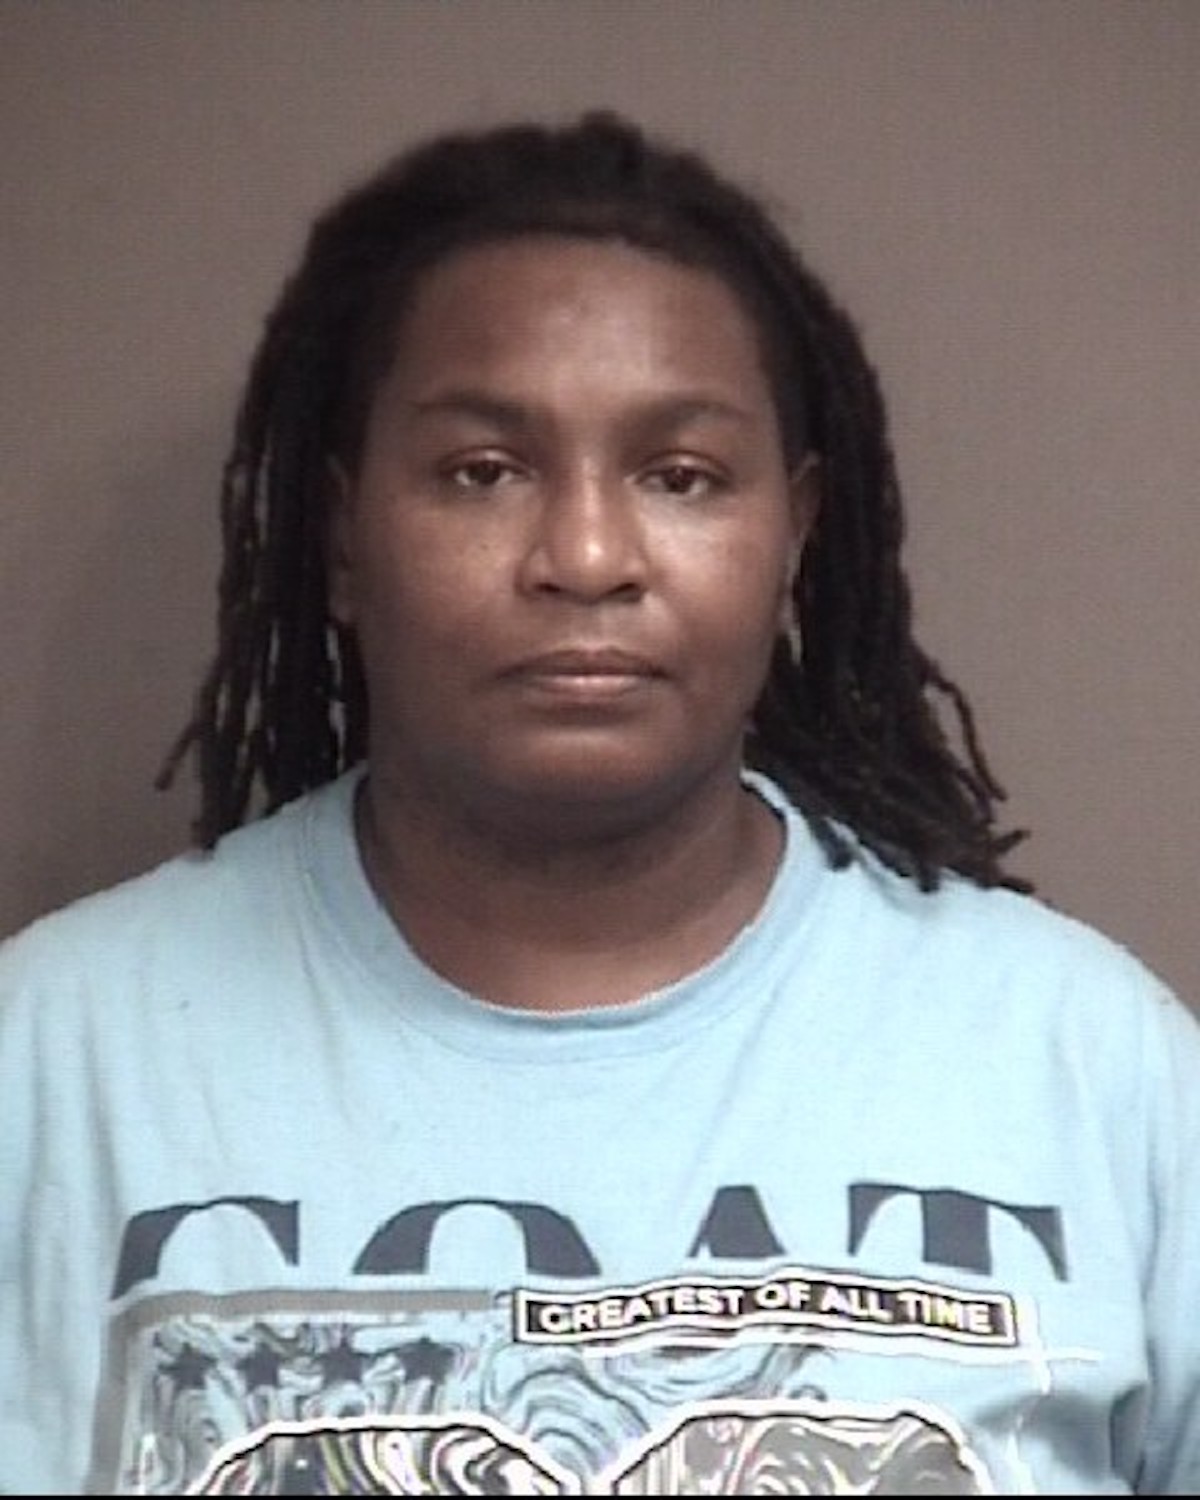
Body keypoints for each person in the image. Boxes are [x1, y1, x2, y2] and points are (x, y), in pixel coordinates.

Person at [1, 110, 1197, 1497]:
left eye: (680, 477)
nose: (583, 555)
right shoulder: (56, 1057)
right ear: (342, 538)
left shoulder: (1086, 1064)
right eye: (484, 472)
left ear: (794, 537)